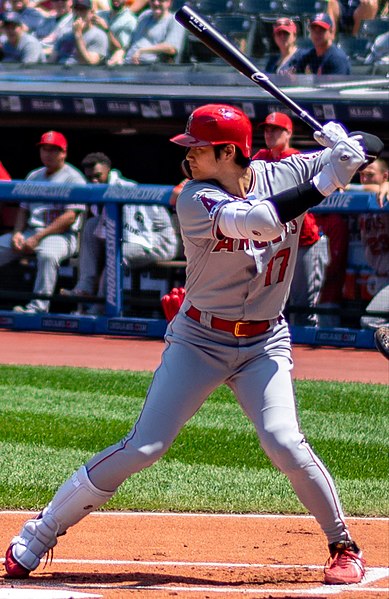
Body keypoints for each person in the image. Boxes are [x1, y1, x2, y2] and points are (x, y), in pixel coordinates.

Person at [3, 105, 379, 585]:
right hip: (199, 339)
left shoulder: (282, 171)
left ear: (228, 151)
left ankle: (343, 544)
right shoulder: (194, 197)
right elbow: (261, 222)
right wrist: (331, 177)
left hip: (264, 341)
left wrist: (348, 145)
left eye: (199, 148)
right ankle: (40, 531)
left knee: (284, 439)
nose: (189, 156)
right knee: (145, 446)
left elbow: (373, 146)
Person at [60, 152, 178, 314]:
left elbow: (137, 236)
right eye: (90, 178)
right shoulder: (97, 192)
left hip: (159, 240)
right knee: (90, 225)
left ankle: (101, 306)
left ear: (108, 170)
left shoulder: (125, 189)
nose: (94, 181)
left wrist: (109, 249)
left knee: (117, 254)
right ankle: (85, 287)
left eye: (98, 176)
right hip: (134, 238)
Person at [253, 112, 329, 326]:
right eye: (267, 129)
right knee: (274, 301)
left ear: (288, 133)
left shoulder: (298, 159)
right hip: (275, 242)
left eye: (275, 129)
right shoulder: (260, 158)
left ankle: (310, 346)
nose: (269, 133)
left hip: (305, 240)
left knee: (304, 304)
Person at [0, 131, 86, 314]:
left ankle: (38, 308)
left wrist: (37, 237)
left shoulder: (73, 177)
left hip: (62, 235)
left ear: (63, 152)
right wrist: (17, 233)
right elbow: (23, 209)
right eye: (44, 149)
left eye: (53, 150)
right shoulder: (34, 176)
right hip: (32, 232)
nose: (47, 154)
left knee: (48, 255)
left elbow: (70, 217)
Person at [348, 158, 389, 328]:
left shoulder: (385, 195)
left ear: (385, 176)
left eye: (370, 175)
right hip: (379, 277)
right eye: (361, 175)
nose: (364, 179)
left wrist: (387, 185)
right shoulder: (366, 199)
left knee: (369, 321)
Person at [107, 0, 185, 65]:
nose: (156, 3)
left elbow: (171, 48)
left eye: (160, 0)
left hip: (150, 69)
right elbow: (132, 41)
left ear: (169, 3)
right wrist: (120, 52)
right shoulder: (144, 16)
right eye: (153, 0)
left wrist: (142, 51)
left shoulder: (174, 20)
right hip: (128, 65)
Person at [49, 0, 109, 64]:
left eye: (82, 9)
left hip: (82, 72)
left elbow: (91, 62)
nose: (78, 13)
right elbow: (52, 60)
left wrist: (78, 35)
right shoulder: (64, 33)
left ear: (91, 13)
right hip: (60, 70)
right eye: (76, 9)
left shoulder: (98, 36)